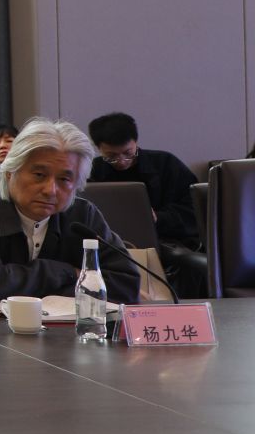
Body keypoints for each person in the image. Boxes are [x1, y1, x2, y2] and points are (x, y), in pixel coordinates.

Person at [0, 117, 141, 307]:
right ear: (9, 173)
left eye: (64, 179)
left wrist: (23, 284)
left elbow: (126, 286)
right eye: (39, 175)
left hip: (63, 330)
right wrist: (68, 273)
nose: (50, 190)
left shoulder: (83, 216)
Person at [87, 111, 207, 297]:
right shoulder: (93, 170)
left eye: (128, 153)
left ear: (136, 142)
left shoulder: (166, 164)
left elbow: (194, 210)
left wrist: (159, 217)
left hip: (166, 241)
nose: (121, 161)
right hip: (108, 242)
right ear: (98, 148)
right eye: (111, 156)